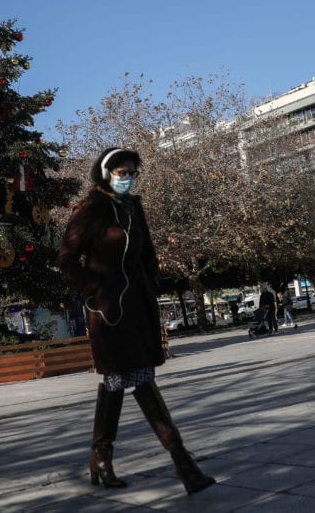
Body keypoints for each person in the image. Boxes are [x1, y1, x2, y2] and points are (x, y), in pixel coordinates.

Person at [59, 147, 215, 495]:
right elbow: (67, 257)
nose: (126, 176)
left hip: (138, 305)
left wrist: (150, 279)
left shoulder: (133, 206)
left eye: (131, 171)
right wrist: (95, 290)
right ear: (104, 173)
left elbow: (147, 251)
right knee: (124, 381)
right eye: (120, 171)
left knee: (138, 379)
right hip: (108, 311)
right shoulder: (92, 209)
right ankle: (183, 465)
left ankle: (104, 459)